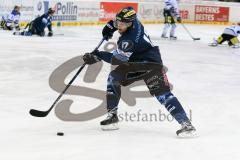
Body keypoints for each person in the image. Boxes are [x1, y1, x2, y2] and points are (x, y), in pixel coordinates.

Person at [83, 7, 196, 137]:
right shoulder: (131, 19)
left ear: (131, 23)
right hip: (141, 62)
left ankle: (186, 125)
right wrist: (110, 25)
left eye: (123, 24)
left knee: (162, 93)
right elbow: (122, 16)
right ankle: (112, 116)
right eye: (119, 22)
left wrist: (98, 55)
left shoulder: (129, 40)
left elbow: (116, 60)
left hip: (149, 64)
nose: (120, 25)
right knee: (114, 78)